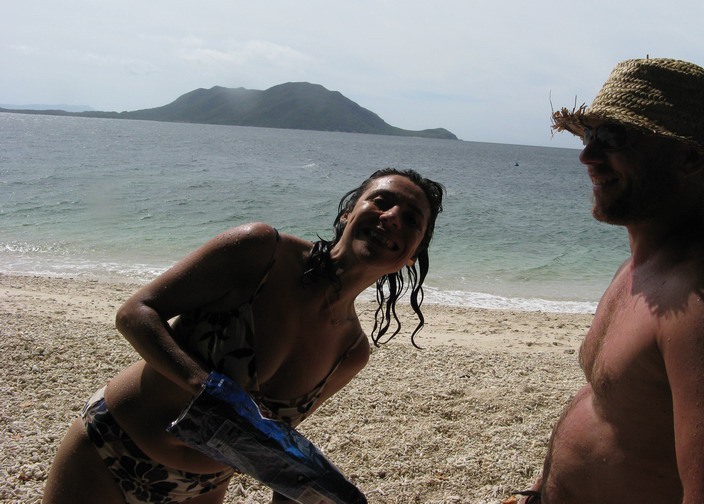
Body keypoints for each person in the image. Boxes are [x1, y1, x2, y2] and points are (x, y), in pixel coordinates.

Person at [43, 168, 444, 504]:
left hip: (202, 488)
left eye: (411, 220)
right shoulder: (260, 253)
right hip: (112, 447)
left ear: (410, 256)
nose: (392, 217)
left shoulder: (351, 352)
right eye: (381, 201)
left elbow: (272, 438)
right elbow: (135, 313)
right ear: (346, 214)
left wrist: (302, 487)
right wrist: (203, 384)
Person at [516, 58, 704, 504]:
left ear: (690, 156)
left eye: (615, 138)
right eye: (590, 135)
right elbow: (619, 402)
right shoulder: (637, 271)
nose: (588, 155)